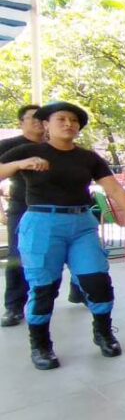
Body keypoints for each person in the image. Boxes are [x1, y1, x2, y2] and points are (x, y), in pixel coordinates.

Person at [0, 101, 125, 370]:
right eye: (62, 119)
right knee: (44, 288)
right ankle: (41, 345)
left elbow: (114, 189)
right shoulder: (27, 151)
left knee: (97, 282)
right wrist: (21, 163)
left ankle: (103, 332)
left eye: (74, 120)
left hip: (82, 224)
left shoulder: (88, 158)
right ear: (46, 124)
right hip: (42, 223)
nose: (69, 124)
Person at [0, 105, 43, 327]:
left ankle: (80, 291)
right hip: (23, 206)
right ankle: (14, 306)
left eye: (42, 117)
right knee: (18, 256)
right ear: (21, 122)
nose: (39, 121)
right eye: (33, 118)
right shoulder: (9, 146)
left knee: (71, 252)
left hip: (57, 208)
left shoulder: (56, 144)